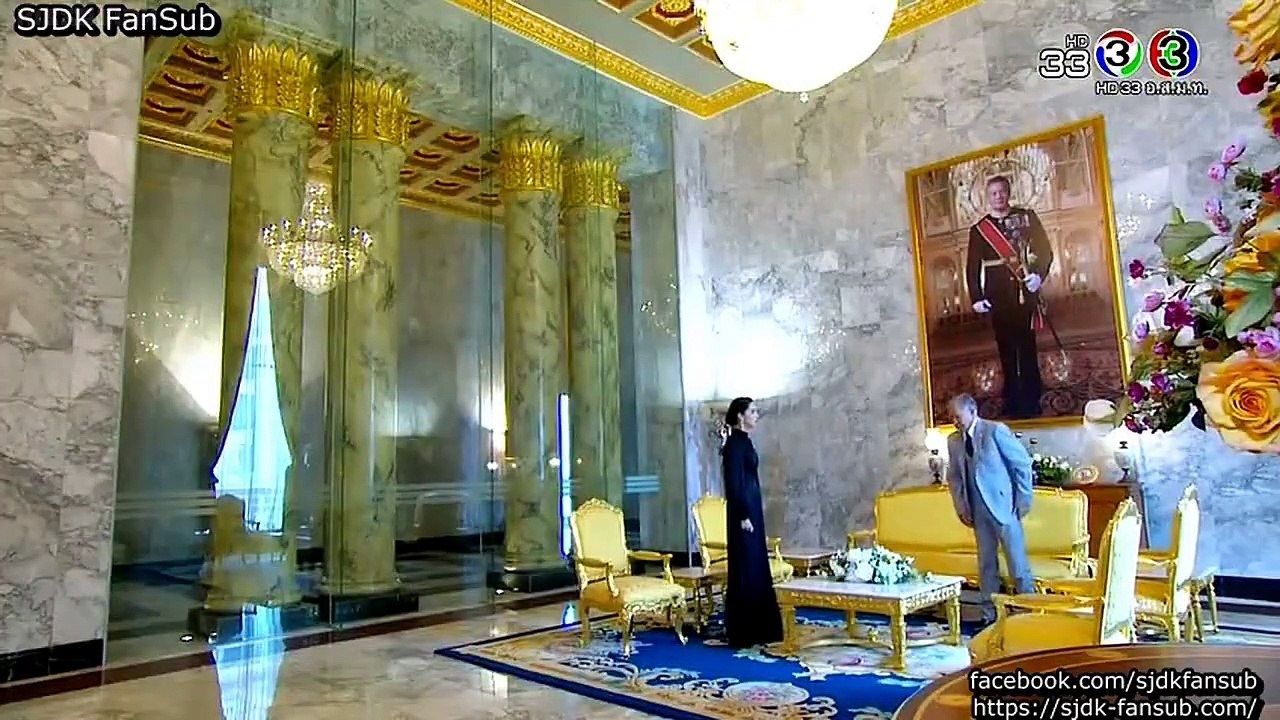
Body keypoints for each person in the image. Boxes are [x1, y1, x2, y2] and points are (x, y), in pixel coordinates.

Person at [966, 175, 1054, 419]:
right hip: (998, 296)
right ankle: (1012, 396)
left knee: (1027, 345)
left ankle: (1032, 394)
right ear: (987, 197)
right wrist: (976, 296)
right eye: (993, 193)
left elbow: (1045, 251)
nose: (998, 197)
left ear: (1009, 193)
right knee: (1006, 347)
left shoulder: (1027, 218)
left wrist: (1039, 275)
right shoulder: (980, 230)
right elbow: (972, 266)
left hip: (1025, 291)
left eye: (1002, 192)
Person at [945, 393, 1035, 624]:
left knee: (1017, 565)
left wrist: (1023, 500)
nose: (954, 421)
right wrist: (961, 506)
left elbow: (1022, 464)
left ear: (972, 411)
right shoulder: (953, 441)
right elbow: (955, 478)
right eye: (951, 417)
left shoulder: (995, 431)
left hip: (1005, 507)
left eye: (958, 417)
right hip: (977, 511)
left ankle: (1030, 614)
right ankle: (989, 615)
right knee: (986, 565)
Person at [720, 396, 784, 648]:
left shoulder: (744, 441)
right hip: (743, 513)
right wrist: (743, 514)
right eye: (753, 411)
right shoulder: (734, 445)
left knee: (756, 565)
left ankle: (760, 628)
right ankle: (745, 631)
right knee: (747, 567)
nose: (757, 415)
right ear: (740, 416)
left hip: (752, 509)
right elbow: (734, 484)